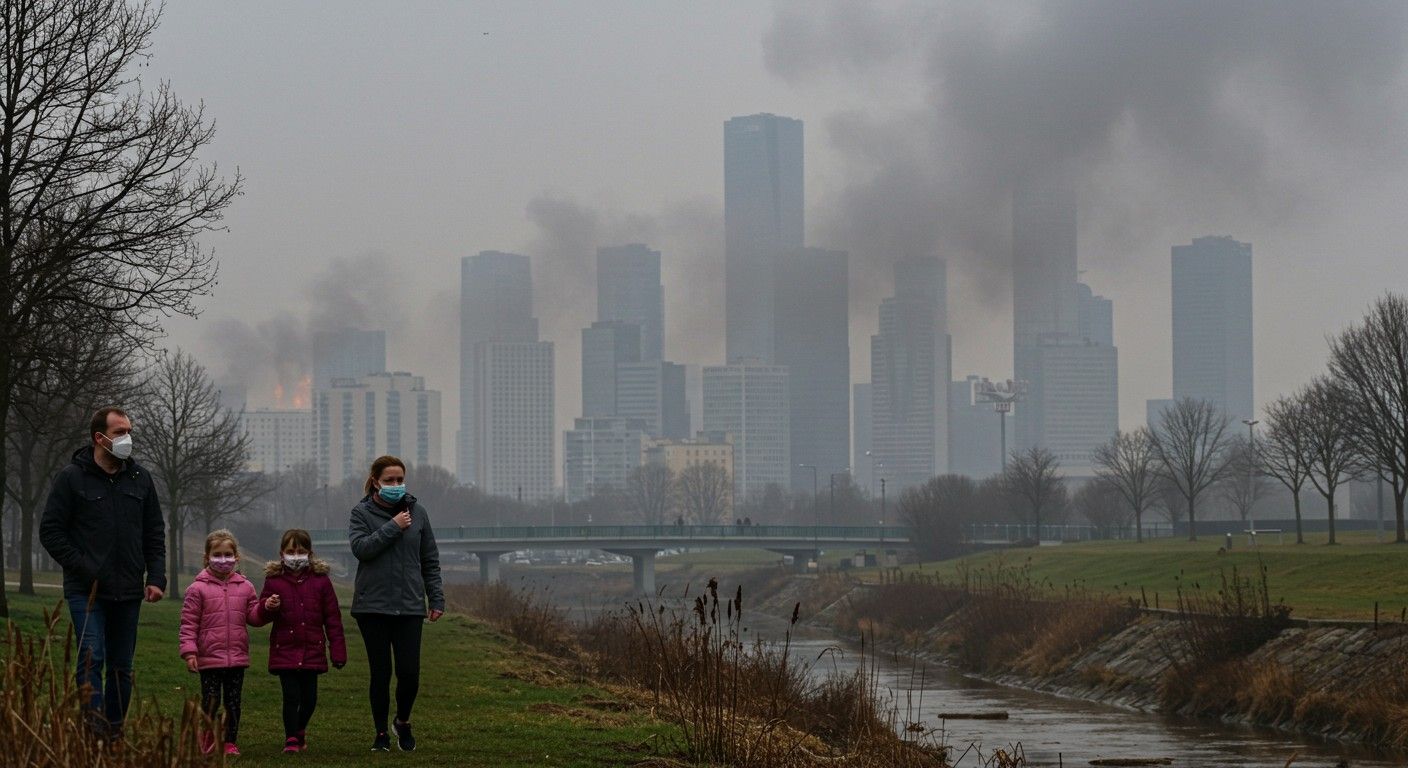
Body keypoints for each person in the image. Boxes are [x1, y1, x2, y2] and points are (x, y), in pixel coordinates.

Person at [40, 406, 166, 743]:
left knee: (122, 668)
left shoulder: (141, 479)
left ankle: (114, 734)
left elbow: (154, 532)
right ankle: (92, 732)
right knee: (90, 658)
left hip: (128, 590)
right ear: (99, 438)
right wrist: (84, 567)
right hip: (86, 591)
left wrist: (156, 577)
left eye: (129, 431)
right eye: (119, 432)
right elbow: (51, 532)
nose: (128, 438)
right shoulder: (71, 478)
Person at [348, 455, 444, 752]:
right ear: (375, 481)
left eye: (399, 480)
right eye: (389, 480)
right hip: (372, 606)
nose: (395, 485)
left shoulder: (419, 513)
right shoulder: (360, 513)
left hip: (409, 606)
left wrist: (436, 597)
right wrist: (393, 526)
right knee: (380, 673)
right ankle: (380, 734)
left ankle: (402, 720)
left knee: (409, 674)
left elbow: (429, 560)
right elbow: (362, 549)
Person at [178, 530, 274, 756]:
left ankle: (230, 741)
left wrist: (265, 609)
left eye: (228, 554)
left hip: (237, 658)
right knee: (211, 701)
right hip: (209, 658)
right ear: (207, 557)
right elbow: (188, 624)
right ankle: (209, 738)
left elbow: (253, 617)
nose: (223, 559)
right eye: (218, 554)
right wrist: (190, 653)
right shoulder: (197, 589)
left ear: (236, 557)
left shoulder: (246, 587)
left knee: (233, 703)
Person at [259, 529, 347, 754]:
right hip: (284, 650)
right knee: (291, 697)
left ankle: (300, 730)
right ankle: (290, 739)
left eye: (300, 551)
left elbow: (333, 618)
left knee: (309, 699)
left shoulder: (321, 582)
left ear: (310, 553)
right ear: (282, 553)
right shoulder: (273, 581)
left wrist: (337, 651)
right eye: (291, 551)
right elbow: (261, 613)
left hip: (312, 650)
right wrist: (269, 606)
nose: (295, 555)